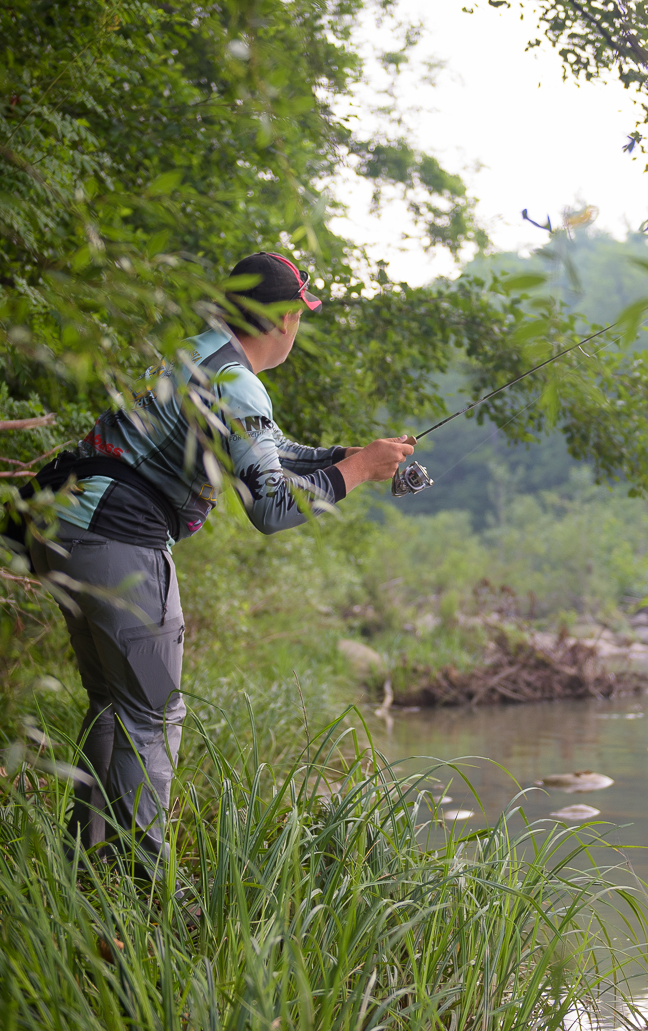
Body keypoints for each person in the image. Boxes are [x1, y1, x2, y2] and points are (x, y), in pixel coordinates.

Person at [26, 251, 412, 874]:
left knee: (116, 707)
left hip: (66, 527)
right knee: (152, 716)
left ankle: (89, 873)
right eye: (300, 315)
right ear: (285, 317)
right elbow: (272, 507)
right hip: (118, 541)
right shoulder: (235, 379)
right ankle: (135, 891)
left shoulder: (196, 356)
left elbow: (271, 448)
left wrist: (349, 454)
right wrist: (360, 471)